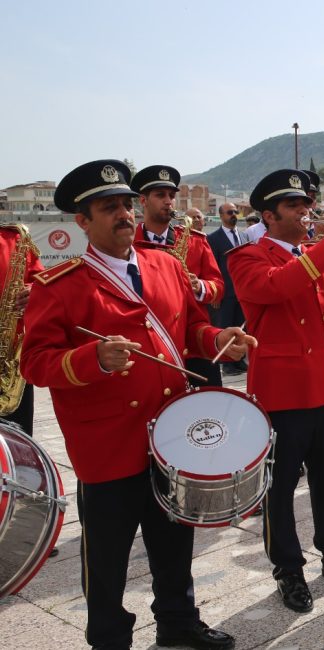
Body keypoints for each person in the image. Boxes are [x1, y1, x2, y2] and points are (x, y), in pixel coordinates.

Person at [21, 159, 252, 650]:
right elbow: (35, 364)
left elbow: (191, 329)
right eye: (110, 208)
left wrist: (219, 337)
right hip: (108, 444)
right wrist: (93, 359)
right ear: (82, 221)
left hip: (169, 436)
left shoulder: (166, 264)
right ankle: (107, 637)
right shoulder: (59, 287)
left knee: (175, 539)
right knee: (107, 557)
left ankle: (177, 620)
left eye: (127, 204)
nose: (124, 214)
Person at [228, 170, 324, 614]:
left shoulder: (316, 254)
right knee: (278, 489)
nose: (306, 212)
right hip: (285, 393)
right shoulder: (248, 257)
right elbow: (275, 287)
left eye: (306, 204)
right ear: (268, 216)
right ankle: (288, 568)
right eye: (294, 207)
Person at [131, 165, 225, 387]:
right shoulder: (128, 243)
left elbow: (218, 286)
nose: (168, 201)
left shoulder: (195, 240)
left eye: (171, 196)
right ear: (142, 201)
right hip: (150, 346)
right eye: (160, 195)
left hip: (195, 344)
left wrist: (200, 286)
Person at [0, 223, 43, 436]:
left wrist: (35, 291)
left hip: (9, 363)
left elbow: (41, 280)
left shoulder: (14, 238)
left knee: (18, 444)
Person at [207, 202, 248, 375]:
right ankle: (227, 364)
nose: (234, 215)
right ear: (221, 215)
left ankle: (239, 360)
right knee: (225, 327)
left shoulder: (244, 237)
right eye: (230, 212)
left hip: (243, 292)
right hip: (226, 293)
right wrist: (216, 294)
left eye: (235, 212)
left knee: (241, 328)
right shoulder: (213, 239)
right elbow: (212, 268)